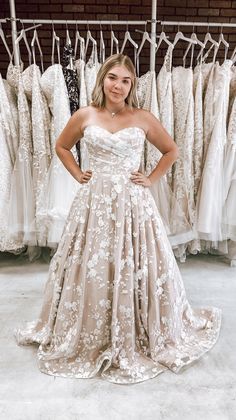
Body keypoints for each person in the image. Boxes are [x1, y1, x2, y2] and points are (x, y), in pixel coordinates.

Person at [15, 54, 221, 384]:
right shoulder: (86, 114)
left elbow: (172, 150)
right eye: (113, 78)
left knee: (136, 261)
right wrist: (79, 173)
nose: (119, 85)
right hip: (94, 203)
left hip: (133, 202)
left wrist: (151, 179)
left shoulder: (142, 117)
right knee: (92, 262)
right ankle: (90, 327)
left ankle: (137, 324)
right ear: (102, 80)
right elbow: (62, 146)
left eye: (126, 80)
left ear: (132, 85)